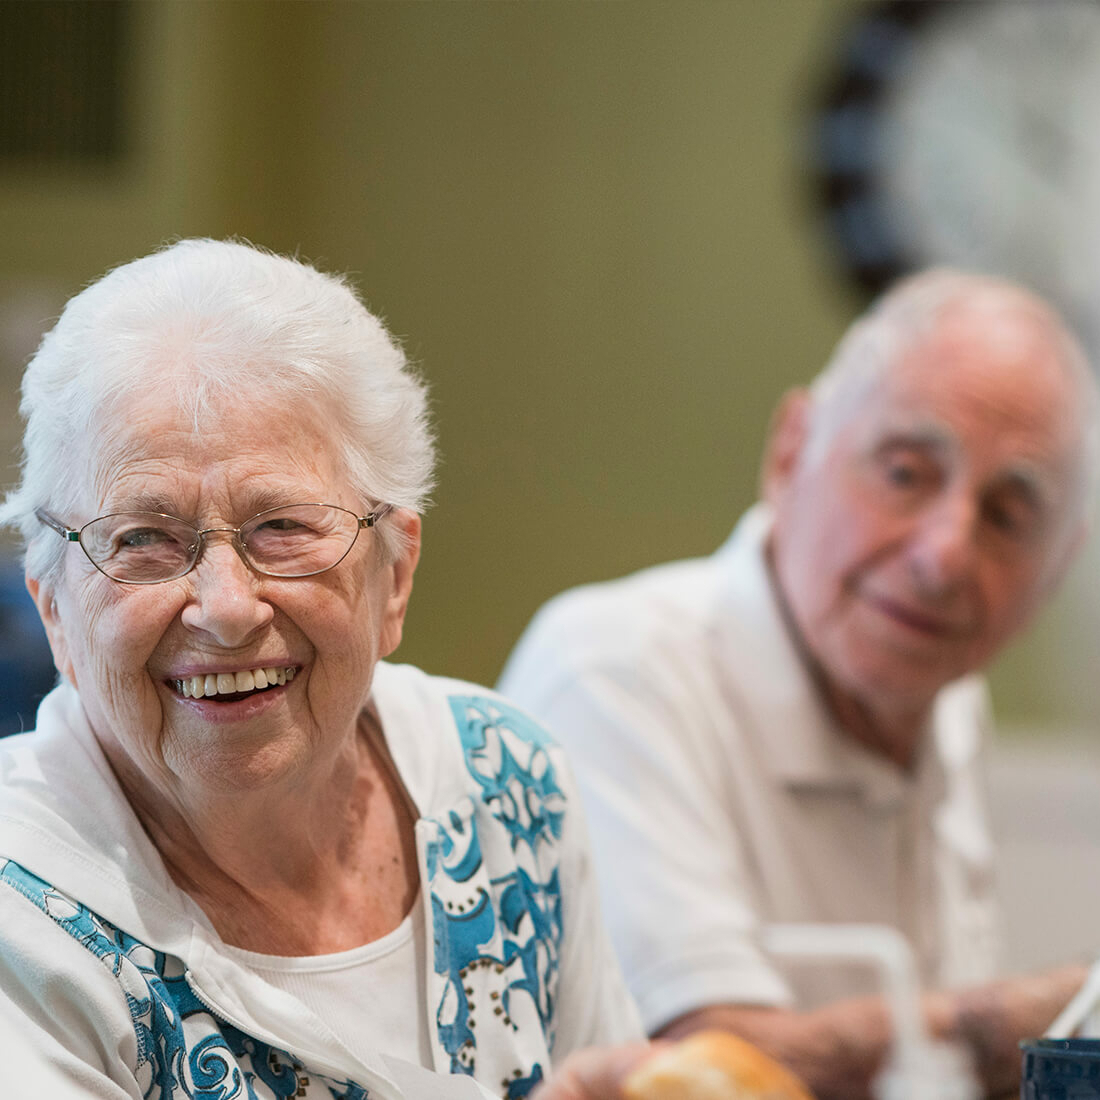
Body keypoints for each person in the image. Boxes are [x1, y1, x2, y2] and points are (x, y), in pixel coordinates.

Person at [0, 239, 644, 1100]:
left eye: (283, 527)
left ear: (396, 577)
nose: (226, 607)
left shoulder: (504, 783)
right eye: (144, 539)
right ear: (53, 609)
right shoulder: (23, 927)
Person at [499, 270, 1100, 1099]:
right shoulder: (613, 667)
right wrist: (1036, 1016)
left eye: (1007, 516)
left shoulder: (948, 699)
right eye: (905, 473)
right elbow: (706, 1073)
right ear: (790, 453)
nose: (945, 555)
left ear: (1053, 573)